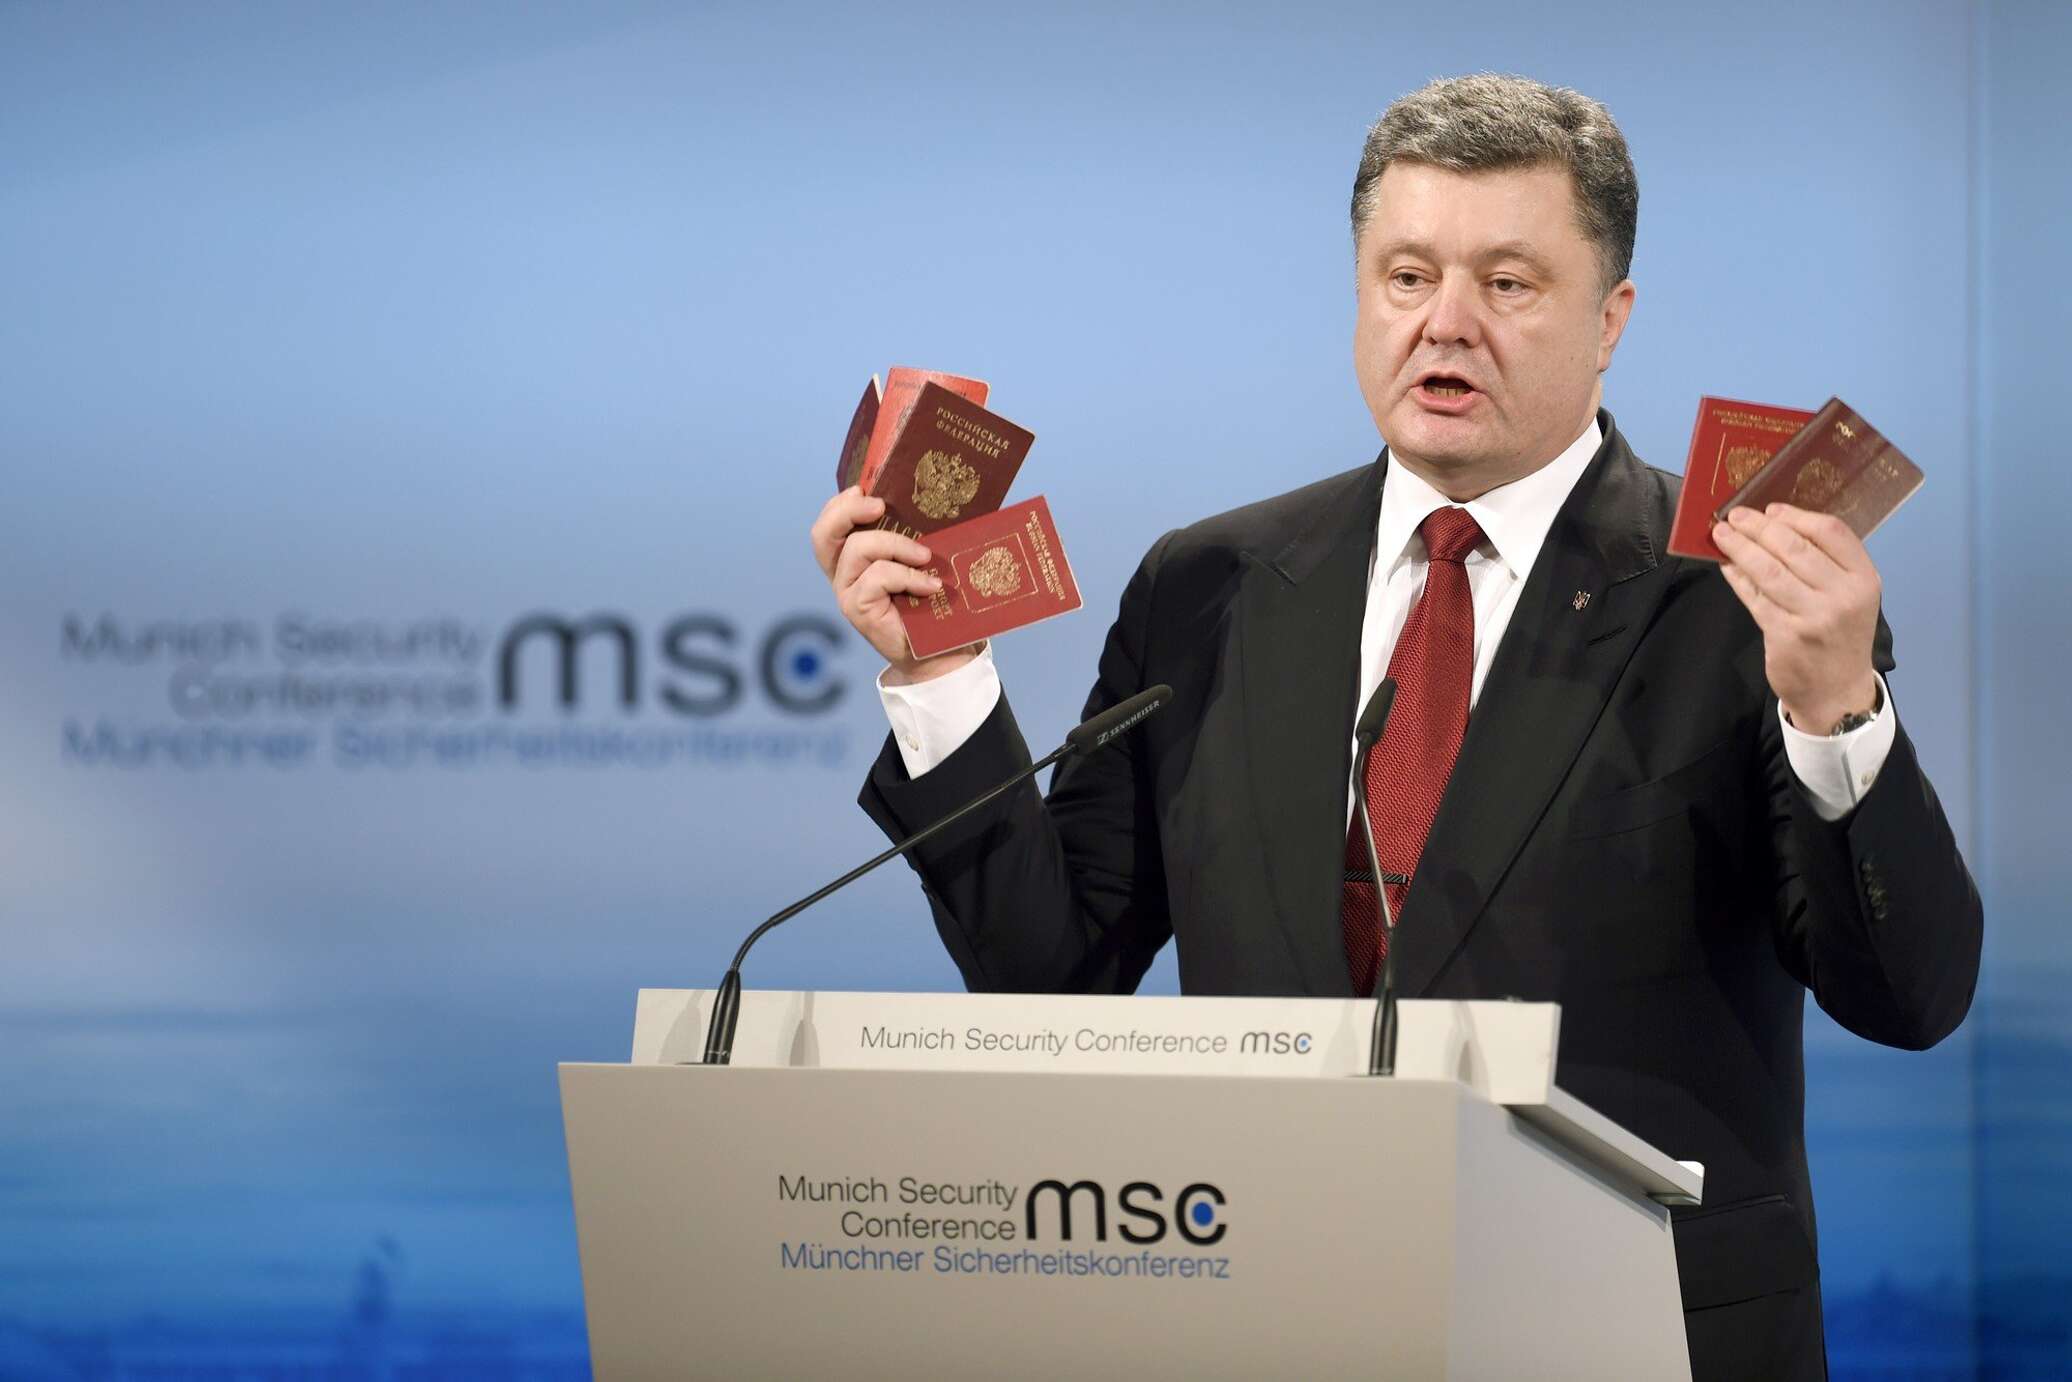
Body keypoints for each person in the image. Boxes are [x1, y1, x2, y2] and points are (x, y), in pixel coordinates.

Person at [809, 73, 1980, 1381]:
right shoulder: (1208, 585)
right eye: (1407, 276)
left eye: (1509, 283)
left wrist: (1836, 711)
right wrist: (943, 676)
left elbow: (1909, 995)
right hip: (1273, 1323)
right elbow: (1049, 978)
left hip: (1632, 1333)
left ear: (1611, 319)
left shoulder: (1740, 594)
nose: (1445, 324)